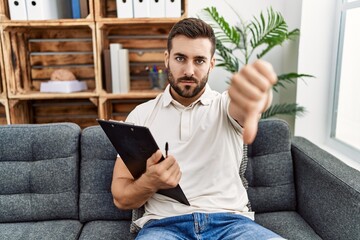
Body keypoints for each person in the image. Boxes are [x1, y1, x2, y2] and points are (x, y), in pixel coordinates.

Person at [111, 18, 284, 240]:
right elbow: (121, 198)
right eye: (180, 58)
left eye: (199, 60)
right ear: (167, 59)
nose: (189, 70)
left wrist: (257, 96)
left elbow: (244, 104)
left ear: (211, 64)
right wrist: (150, 181)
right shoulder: (140, 116)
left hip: (231, 224)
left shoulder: (225, 105)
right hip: (164, 227)